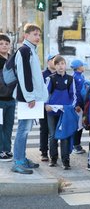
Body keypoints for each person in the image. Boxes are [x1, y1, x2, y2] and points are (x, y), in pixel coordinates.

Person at [11, 23, 49, 174]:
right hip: (27, 98)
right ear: (25, 36)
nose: (38, 37)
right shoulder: (25, 50)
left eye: (39, 35)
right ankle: (18, 162)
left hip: (32, 97)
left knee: (26, 129)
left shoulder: (32, 50)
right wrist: (29, 97)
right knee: (23, 129)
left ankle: (22, 158)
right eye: (34, 34)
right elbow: (24, 75)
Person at [45, 55, 77, 170]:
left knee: (65, 136)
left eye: (62, 63)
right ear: (55, 65)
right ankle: (53, 159)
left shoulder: (70, 79)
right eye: (58, 64)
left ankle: (66, 160)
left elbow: (74, 96)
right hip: (52, 113)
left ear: (65, 65)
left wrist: (70, 107)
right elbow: (45, 94)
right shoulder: (51, 78)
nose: (60, 66)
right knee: (53, 136)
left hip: (65, 112)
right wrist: (46, 105)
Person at [0, 34, 15, 162]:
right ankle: (0, 151)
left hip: (11, 99)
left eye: (6, 43)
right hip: (0, 100)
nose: (4, 45)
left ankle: (7, 149)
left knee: (9, 126)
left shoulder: (13, 59)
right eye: (1, 43)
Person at [40, 54, 57, 162]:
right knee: (44, 128)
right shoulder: (42, 74)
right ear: (48, 62)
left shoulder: (60, 74)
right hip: (44, 105)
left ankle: (54, 152)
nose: (55, 62)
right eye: (53, 60)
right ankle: (44, 152)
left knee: (54, 130)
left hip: (57, 106)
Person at [71, 59, 87, 155]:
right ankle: (75, 145)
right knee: (78, 126)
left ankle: (77, 144)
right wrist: (76, 104)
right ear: (78, 67)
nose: (84, 67)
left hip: (82, 104)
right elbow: (75, 92)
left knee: (80, 125)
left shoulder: (81, 76)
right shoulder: (76, 77)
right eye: (82, 66)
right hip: (78, 105)